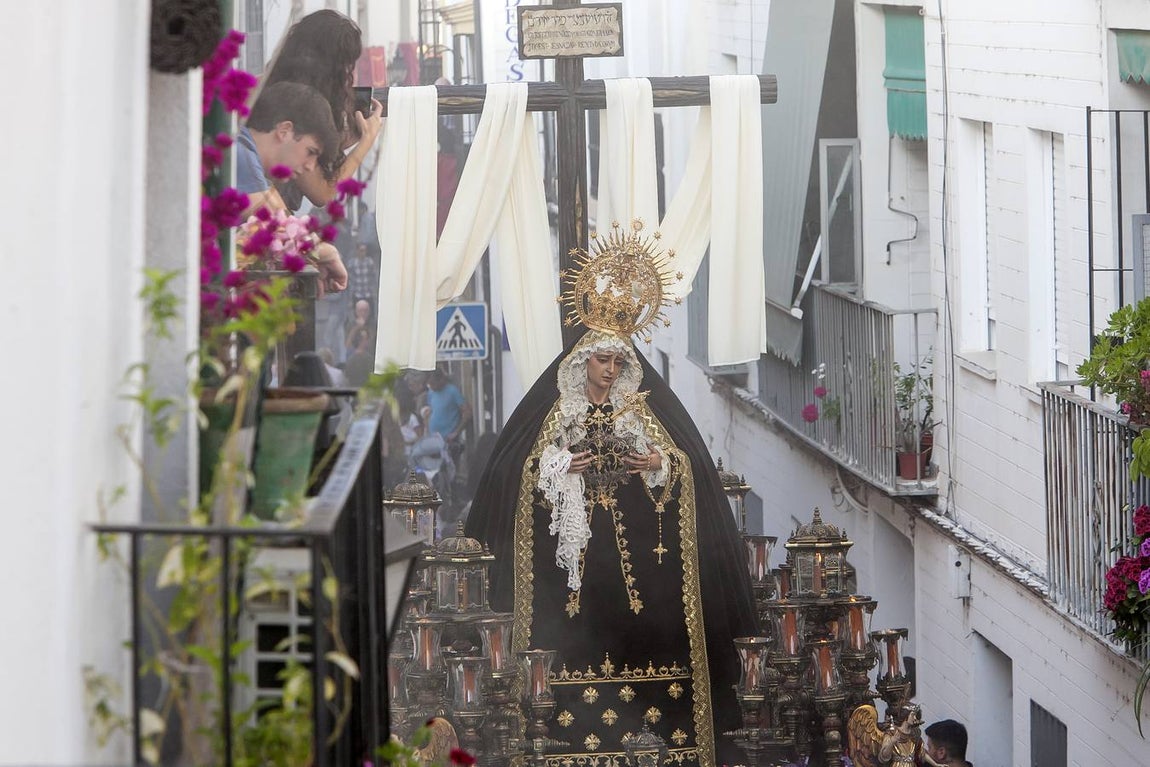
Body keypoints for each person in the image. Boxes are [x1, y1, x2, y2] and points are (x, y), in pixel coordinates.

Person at [464, 223, 757, 767]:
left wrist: (658, 465)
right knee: (570, 649)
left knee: (646, 648)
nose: (612, 369)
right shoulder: (550, 414)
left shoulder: (648, 412)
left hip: (643, 586)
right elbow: (514, 474)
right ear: (582, 360)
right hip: (568, 586)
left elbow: (688, 473)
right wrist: (555, 466)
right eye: (603, 360)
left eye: (619, 361)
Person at [261, 9, 384, 210]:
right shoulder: (299, 105)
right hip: (266, 221)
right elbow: (322, 192)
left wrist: (336, 144)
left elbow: (301, 157)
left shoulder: (268, 84)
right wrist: (366, 141)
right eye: (345, 65)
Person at [235, 82, 348, 295]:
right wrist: (325, 252)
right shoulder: (240, 155)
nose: (310, 166)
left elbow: (282, 219)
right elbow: (278, 227)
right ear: (285, 131)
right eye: (311, 151)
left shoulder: (245, 153)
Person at [425, 368, 470, 445]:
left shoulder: (453, 391)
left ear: (441, 380)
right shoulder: (431, 392)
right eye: (429, 384)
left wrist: (456, 432)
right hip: (433, 438)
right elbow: (431, 411)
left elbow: (467, 412)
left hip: (448, 439)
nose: (431, 386)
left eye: (433, 383)